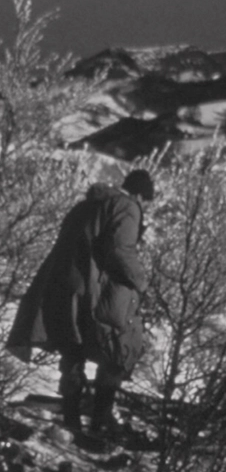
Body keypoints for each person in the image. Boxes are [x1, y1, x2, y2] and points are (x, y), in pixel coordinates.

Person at [7, 169, 154, 434]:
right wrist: (141, 281)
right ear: (139, 195)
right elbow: (120, 251)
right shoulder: (127, 206)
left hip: (62, 285)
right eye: (146, 202)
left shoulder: (85, 205)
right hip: (92, 288)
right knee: (115, 349)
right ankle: (99, 422)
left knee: (72, 350)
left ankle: (72, 421)